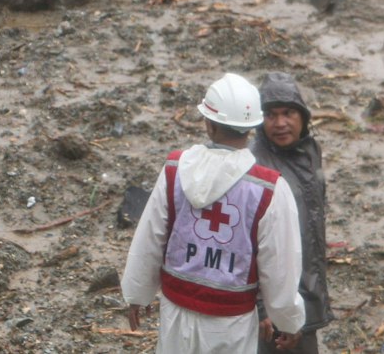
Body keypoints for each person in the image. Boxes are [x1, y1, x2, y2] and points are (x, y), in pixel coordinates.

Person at [123, 72, 306, 353]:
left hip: (175, 311)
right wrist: (289, 321)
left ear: (208, 124)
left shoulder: (175, 170)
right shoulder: (269, 188)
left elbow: (150, 238)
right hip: (231, 322)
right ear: (252, 127)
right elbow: (280, 267)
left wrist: (136, 294)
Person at [250, 73, 330, 354]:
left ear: (303, 117)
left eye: (289, 113)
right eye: (271, 115)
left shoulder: (309, 151)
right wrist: (265, 310)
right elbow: (249, 247)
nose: (281, 123)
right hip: (273, 308)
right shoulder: (256, 168)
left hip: (305, 291)